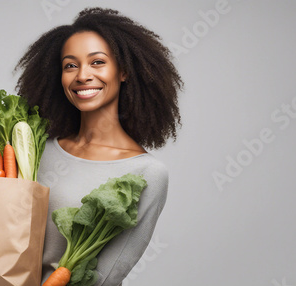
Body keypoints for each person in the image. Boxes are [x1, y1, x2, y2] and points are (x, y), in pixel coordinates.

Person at [15, 7, 183, 286]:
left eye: (97, 62)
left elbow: (104, 277)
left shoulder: (146, 172)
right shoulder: (35, 150)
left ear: (124, 71)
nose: (82, 75)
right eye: (70, 65)